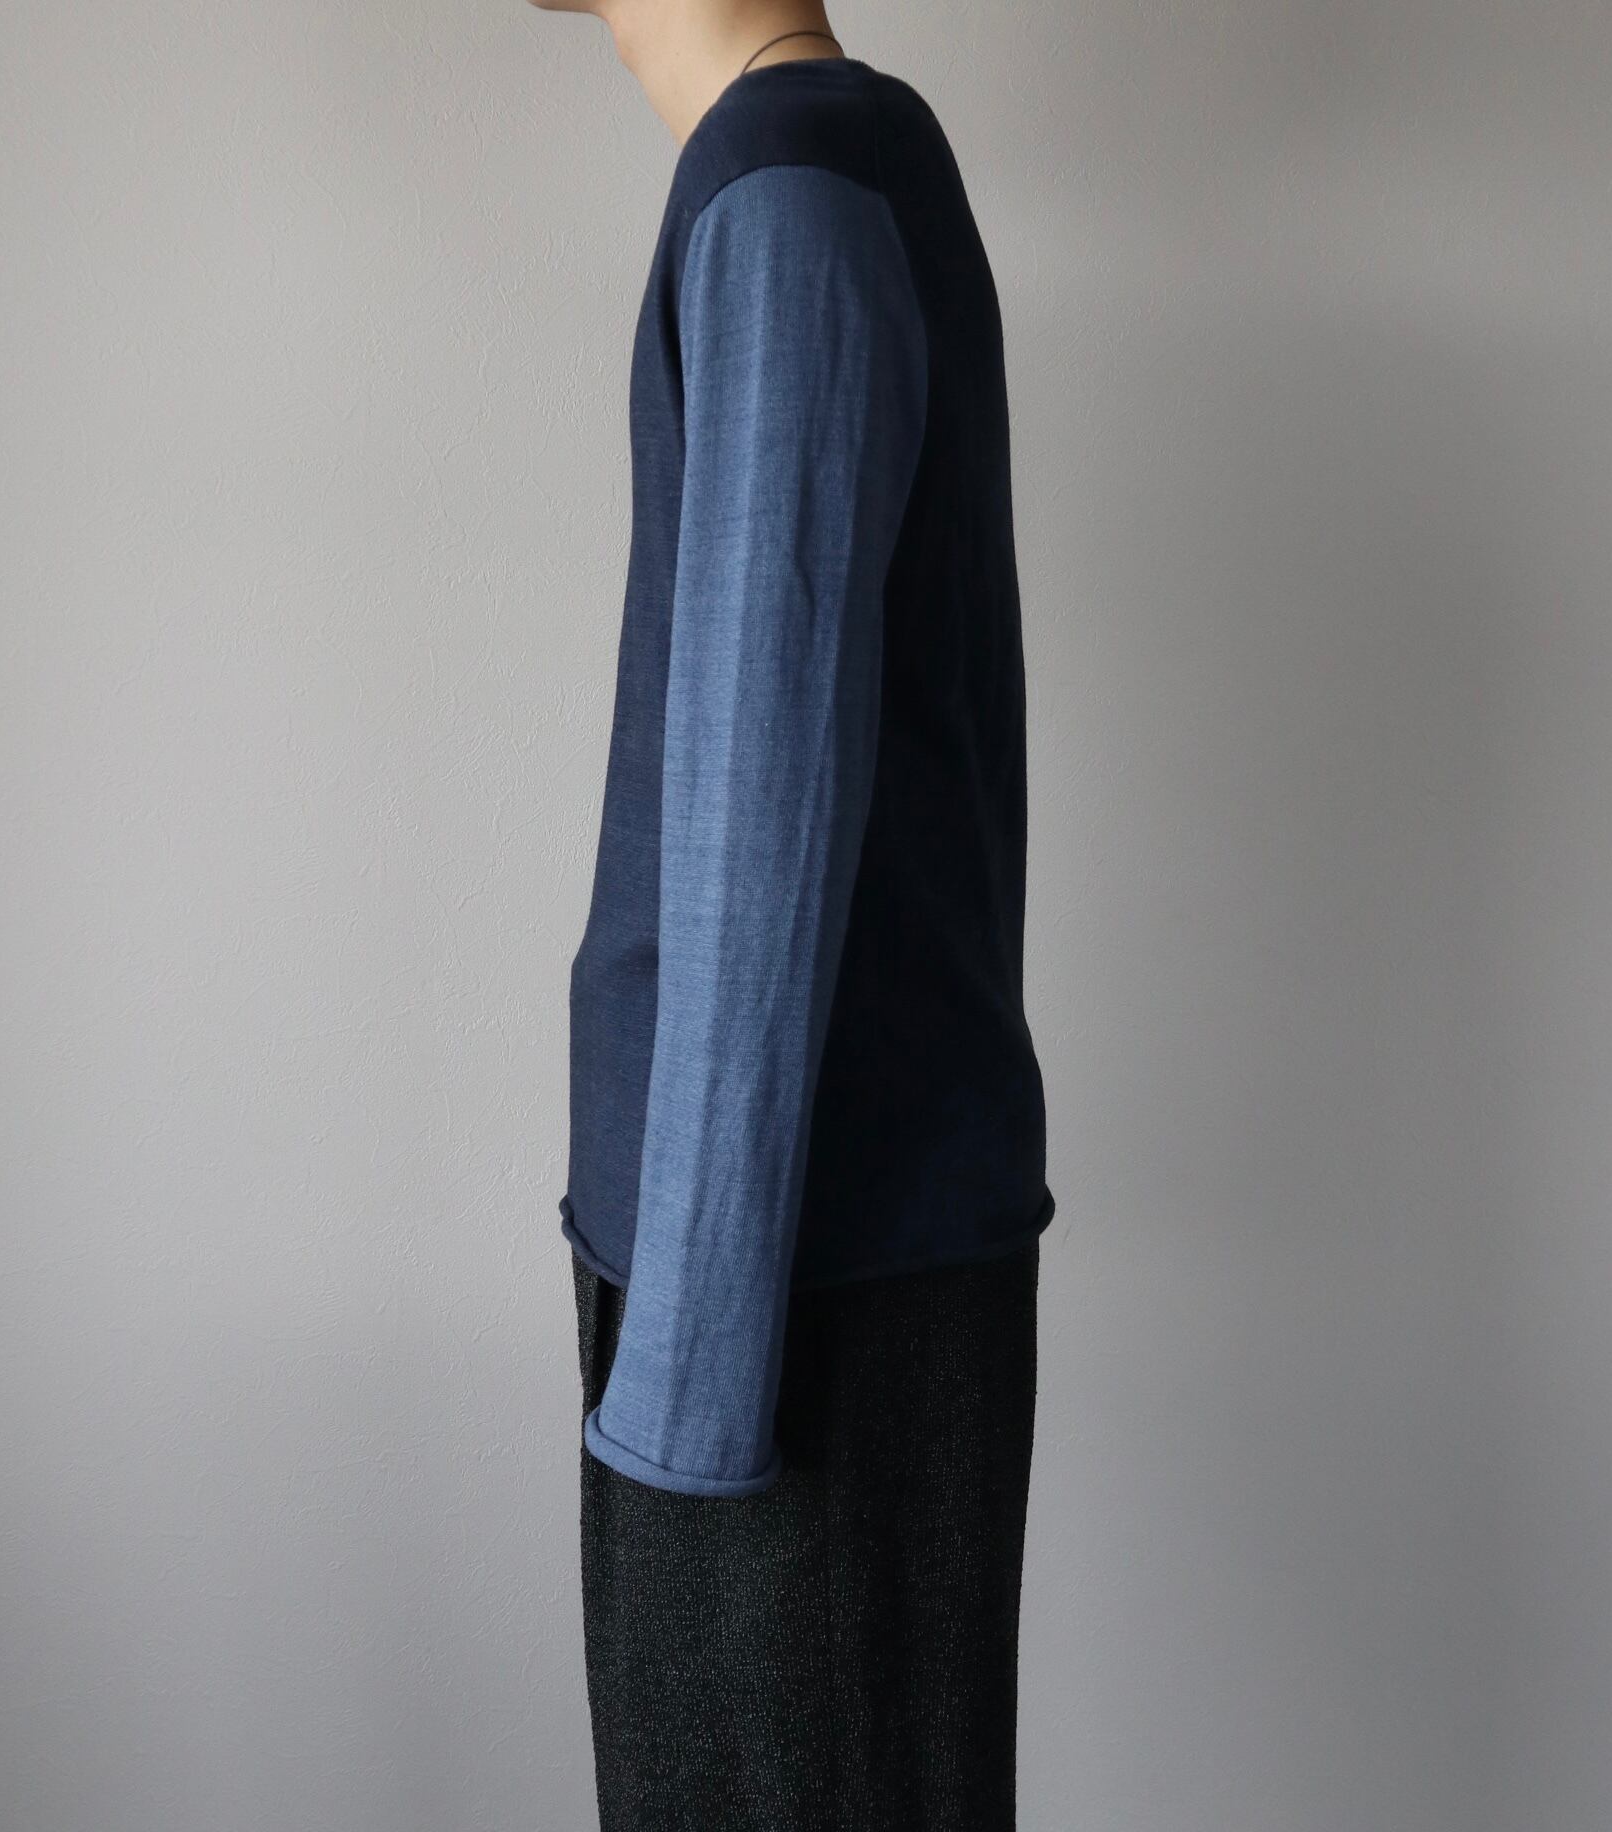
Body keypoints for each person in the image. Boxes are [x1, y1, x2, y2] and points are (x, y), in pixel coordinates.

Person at [528, 3, 1055, 1826]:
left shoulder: (792, 192)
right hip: (792, 1274)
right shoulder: (822, 162)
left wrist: (682, 1406)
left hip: (782, 1309)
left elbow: (764, 832)